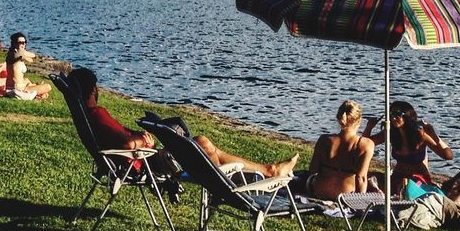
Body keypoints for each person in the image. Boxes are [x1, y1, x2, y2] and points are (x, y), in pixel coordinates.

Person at [68, 68, 298, 176]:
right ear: (92, 90)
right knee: (202, 143)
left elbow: (119, 141)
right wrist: (141, 138)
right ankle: (253, 175)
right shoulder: (97, 114)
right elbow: (128, 145)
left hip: (135, 161)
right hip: (144, 164)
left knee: (203, 146)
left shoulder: (89, 117)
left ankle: (265, 171)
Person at [363, 100, 453, 194]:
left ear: (407, 115)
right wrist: (369, 127)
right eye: (391, 114)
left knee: (405, 188)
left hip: (418, 179)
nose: (393, 118)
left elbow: (448, 156)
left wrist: (433, 135)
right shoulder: (391, 133)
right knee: (369, 177)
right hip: (397, 177)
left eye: (397, 114)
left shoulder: (420, 135)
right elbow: (365, 145)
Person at [304, 100, 376, 200]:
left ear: (339, 118)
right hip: (345, 196)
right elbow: (361, 178)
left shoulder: (324, 140)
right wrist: (360, 204)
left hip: (320, 191)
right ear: (359, 121)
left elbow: (313, 169)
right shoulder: (365, 145)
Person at [4, 32, 51, 100]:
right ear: (14, 43)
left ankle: (37, 89)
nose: (23, 44)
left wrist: (25, 57)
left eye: (24, 42)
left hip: (9, 87)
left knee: (26, 80)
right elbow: (33, 55)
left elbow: (30, 59)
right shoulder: (19, 53)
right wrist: (25, 55)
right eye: (20, 42)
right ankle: (38, 92)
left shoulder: (12, 53)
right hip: (18, 89)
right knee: (48, 86)